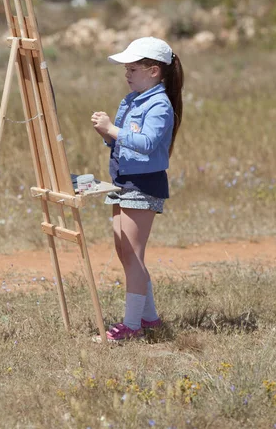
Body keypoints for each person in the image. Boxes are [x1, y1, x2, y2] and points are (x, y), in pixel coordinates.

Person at [91, 36, 184, 341]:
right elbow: (120, 139)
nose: (127, 74)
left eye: (133, 68)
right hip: (124, 180)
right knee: (125, 250)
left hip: (144, 183)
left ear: (154, 71)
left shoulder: (159, 105)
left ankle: (131, 327)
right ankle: (149, 318)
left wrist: (112, 130)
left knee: (132, 254)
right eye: (126, 69)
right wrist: (107, 135)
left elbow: (147, 144)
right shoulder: (131, 100)